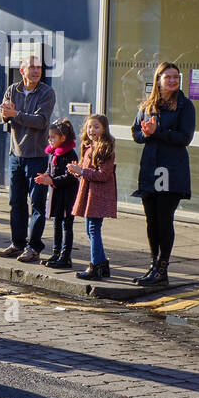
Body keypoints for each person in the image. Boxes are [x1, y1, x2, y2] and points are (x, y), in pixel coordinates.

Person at [131, 61, 197, 287]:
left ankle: (162, 268)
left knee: (164, 219)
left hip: (171, 169)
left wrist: (157, 132)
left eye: (176, 77)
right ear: (158, 80)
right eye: (168, 77)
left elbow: (185, 137)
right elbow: (136, 133)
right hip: (150, 167)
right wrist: (146, 133)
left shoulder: (185, 106)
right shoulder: (148, 105)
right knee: (151, 220)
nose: (172, 81)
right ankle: (153, 265)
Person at [0, 56, 56, 262]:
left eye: (39, 67)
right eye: (32, 67)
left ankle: (34, 247)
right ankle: (17, 243)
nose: (36, 71)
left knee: (37, 204)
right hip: (16, 156)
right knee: (16, 202)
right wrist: (5, 115)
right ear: (22, 70)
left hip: (37, 157)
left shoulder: (47, 92)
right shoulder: (13, 90)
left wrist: (15, 114)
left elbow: (41, 121)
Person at [69, 114, 117, 281]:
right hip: (89, 193)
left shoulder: (105, 149)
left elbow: (103, 175)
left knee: (93, 230)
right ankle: (102, 264)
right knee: (91, 230)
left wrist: (82, 171)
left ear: (104, 129)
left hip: (98, 195)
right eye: (90, 127)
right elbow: (85, 170)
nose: (92, 130)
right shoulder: (89, 146)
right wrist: (77, 171)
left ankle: (95, 266)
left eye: (96, 127)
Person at [33, 118, 79, 270]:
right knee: (56, 223)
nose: (50, 140)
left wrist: (51, 180)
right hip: (56, 193)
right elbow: (49, 170)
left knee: (67, 225)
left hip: (67, 195)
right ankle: (56, 253)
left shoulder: (70, 154)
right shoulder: (53, 154)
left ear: (63, 138)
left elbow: (70, 176)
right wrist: (45, 177)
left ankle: (66, 256)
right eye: (49, 137)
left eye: (53, 137)